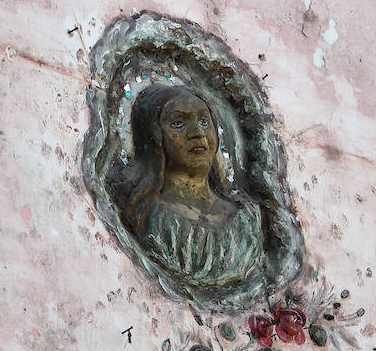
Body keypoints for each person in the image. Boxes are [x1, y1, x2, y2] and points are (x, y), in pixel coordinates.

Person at [112, 85, 263, 289]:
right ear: (154, 137)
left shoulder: (245, 221)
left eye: (204, 121)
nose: (197, 133)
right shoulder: (147, 214)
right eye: (178, 123)